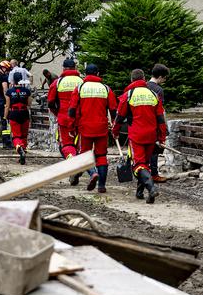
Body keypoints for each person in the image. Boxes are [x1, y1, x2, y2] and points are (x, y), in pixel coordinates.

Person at [114, 68, 167, 203]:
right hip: (151, 135)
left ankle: (151, 188)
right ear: (143, 79)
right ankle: (139, 193)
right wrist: (161, 138)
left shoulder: (129, 95)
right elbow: (161, 119)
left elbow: (119, 117)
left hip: (136, 136)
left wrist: (115, 132)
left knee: (138, 165)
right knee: (146, 164)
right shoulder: (154, 95)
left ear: (132, 80)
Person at [70, 63, 117, 193]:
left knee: (85, 154)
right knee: (101, 155)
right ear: (98, 73)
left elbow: (72, 110)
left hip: (85, 127)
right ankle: (101, 186)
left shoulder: (80, 88)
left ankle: (92, 173)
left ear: (85, 74)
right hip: (101, 127)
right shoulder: (106, 89)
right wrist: (114, 124)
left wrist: (72, 126)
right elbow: (113, 110)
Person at [47, 57, 84, 181]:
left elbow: (51, 102)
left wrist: (57, 113)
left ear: (63, 68)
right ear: (75, 68)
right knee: (78, 145)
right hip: (80, 119)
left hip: (64, 118)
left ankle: (73, 163)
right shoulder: (82, 81)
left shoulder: (58, 82)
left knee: (66, 145)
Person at [147, 64, 169, 180]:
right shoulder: (158, 90)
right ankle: (154, 174)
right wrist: (164, 127)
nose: (164, 81)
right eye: (164, 78)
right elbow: (160, 111)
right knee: (155, 149)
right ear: (160, 77)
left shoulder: (144, 86)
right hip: (154, 123)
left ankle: (143, 171)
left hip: (142, 122)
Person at [5, 69, 32, 165]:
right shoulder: (27, 91)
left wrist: (5, 116)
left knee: (16, 135)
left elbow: (7, 106)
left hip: (14, 114)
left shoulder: (9, 92)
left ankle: (19, 148)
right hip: (24, 113)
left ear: (13, 80)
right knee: (24, 135)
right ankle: (23, 150)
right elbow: (29, 104)